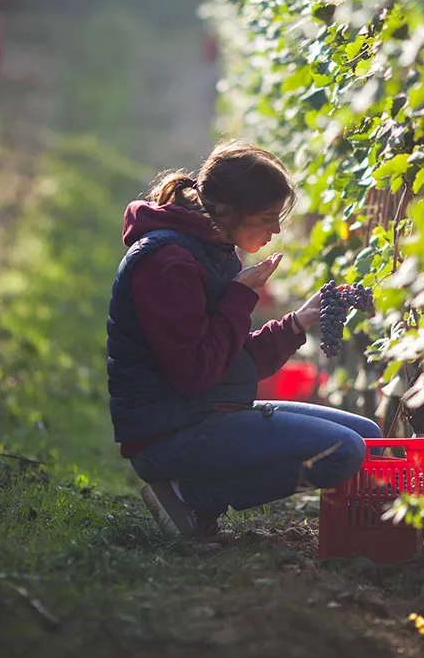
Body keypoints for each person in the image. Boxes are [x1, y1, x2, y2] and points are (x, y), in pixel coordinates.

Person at [106, 139, 380, 539]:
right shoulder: (168, 264)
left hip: (207, 411)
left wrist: (298, 322)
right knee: (344, 453)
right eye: (268, 217)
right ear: (228, 211)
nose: (276, 230)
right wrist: (239, 296)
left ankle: (194, 495)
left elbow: (228, 356)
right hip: (169, 435)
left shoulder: (215, 251)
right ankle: (194, 497)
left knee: (368, 437)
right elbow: (196, 373)